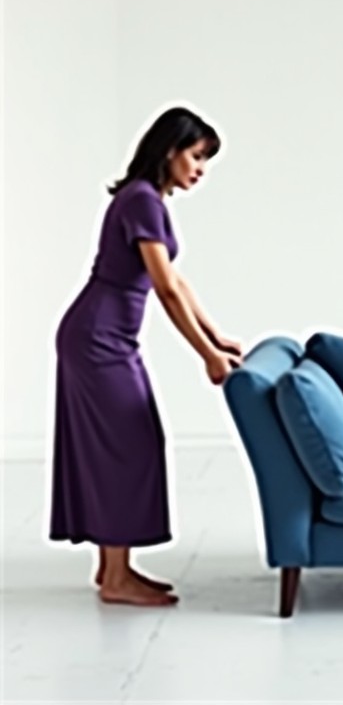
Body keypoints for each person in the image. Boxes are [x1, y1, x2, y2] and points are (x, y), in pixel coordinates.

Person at [49, 106, 244, 608]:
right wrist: (206, 356)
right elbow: (164, 289)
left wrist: (216, 335)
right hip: (98, 340)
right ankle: (116, 577)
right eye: (197, 157)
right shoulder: (141, 201)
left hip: (106, 338)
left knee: (127, 444)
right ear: (169, 150)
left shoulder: (147, 201)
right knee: (128, 446)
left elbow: (177, 280)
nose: (200, 170)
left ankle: (114, 567)